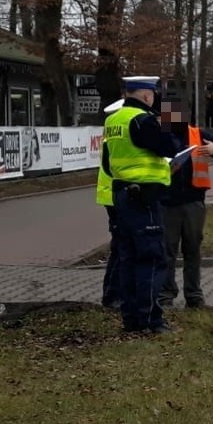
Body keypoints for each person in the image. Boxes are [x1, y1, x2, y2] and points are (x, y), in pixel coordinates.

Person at [102, 76, 179, 334]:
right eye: (154, 94)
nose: (155, 98)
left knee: (128, 259)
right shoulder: (142, 120)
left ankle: (131, 319)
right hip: (143, 198)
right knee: (151, 259)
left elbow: (106, 163)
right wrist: (167, 122)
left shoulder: (113, 120)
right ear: (147, 95)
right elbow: (169, 146)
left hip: (122, 195)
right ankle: (150, 321)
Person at [158, 97, 213, 309]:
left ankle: (194, 297)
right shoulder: (159, 136)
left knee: (192, 250)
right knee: (167, 251)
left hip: (193, 202)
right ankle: (165, 296)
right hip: (167, 202)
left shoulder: (197, 134)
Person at [95, 98, 125, 310]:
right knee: (121, 247)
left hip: (112, 196)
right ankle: (112, 295)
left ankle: (113, 294)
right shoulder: (115, 139)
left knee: (121, 246)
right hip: (116, 197)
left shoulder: (110, 136)